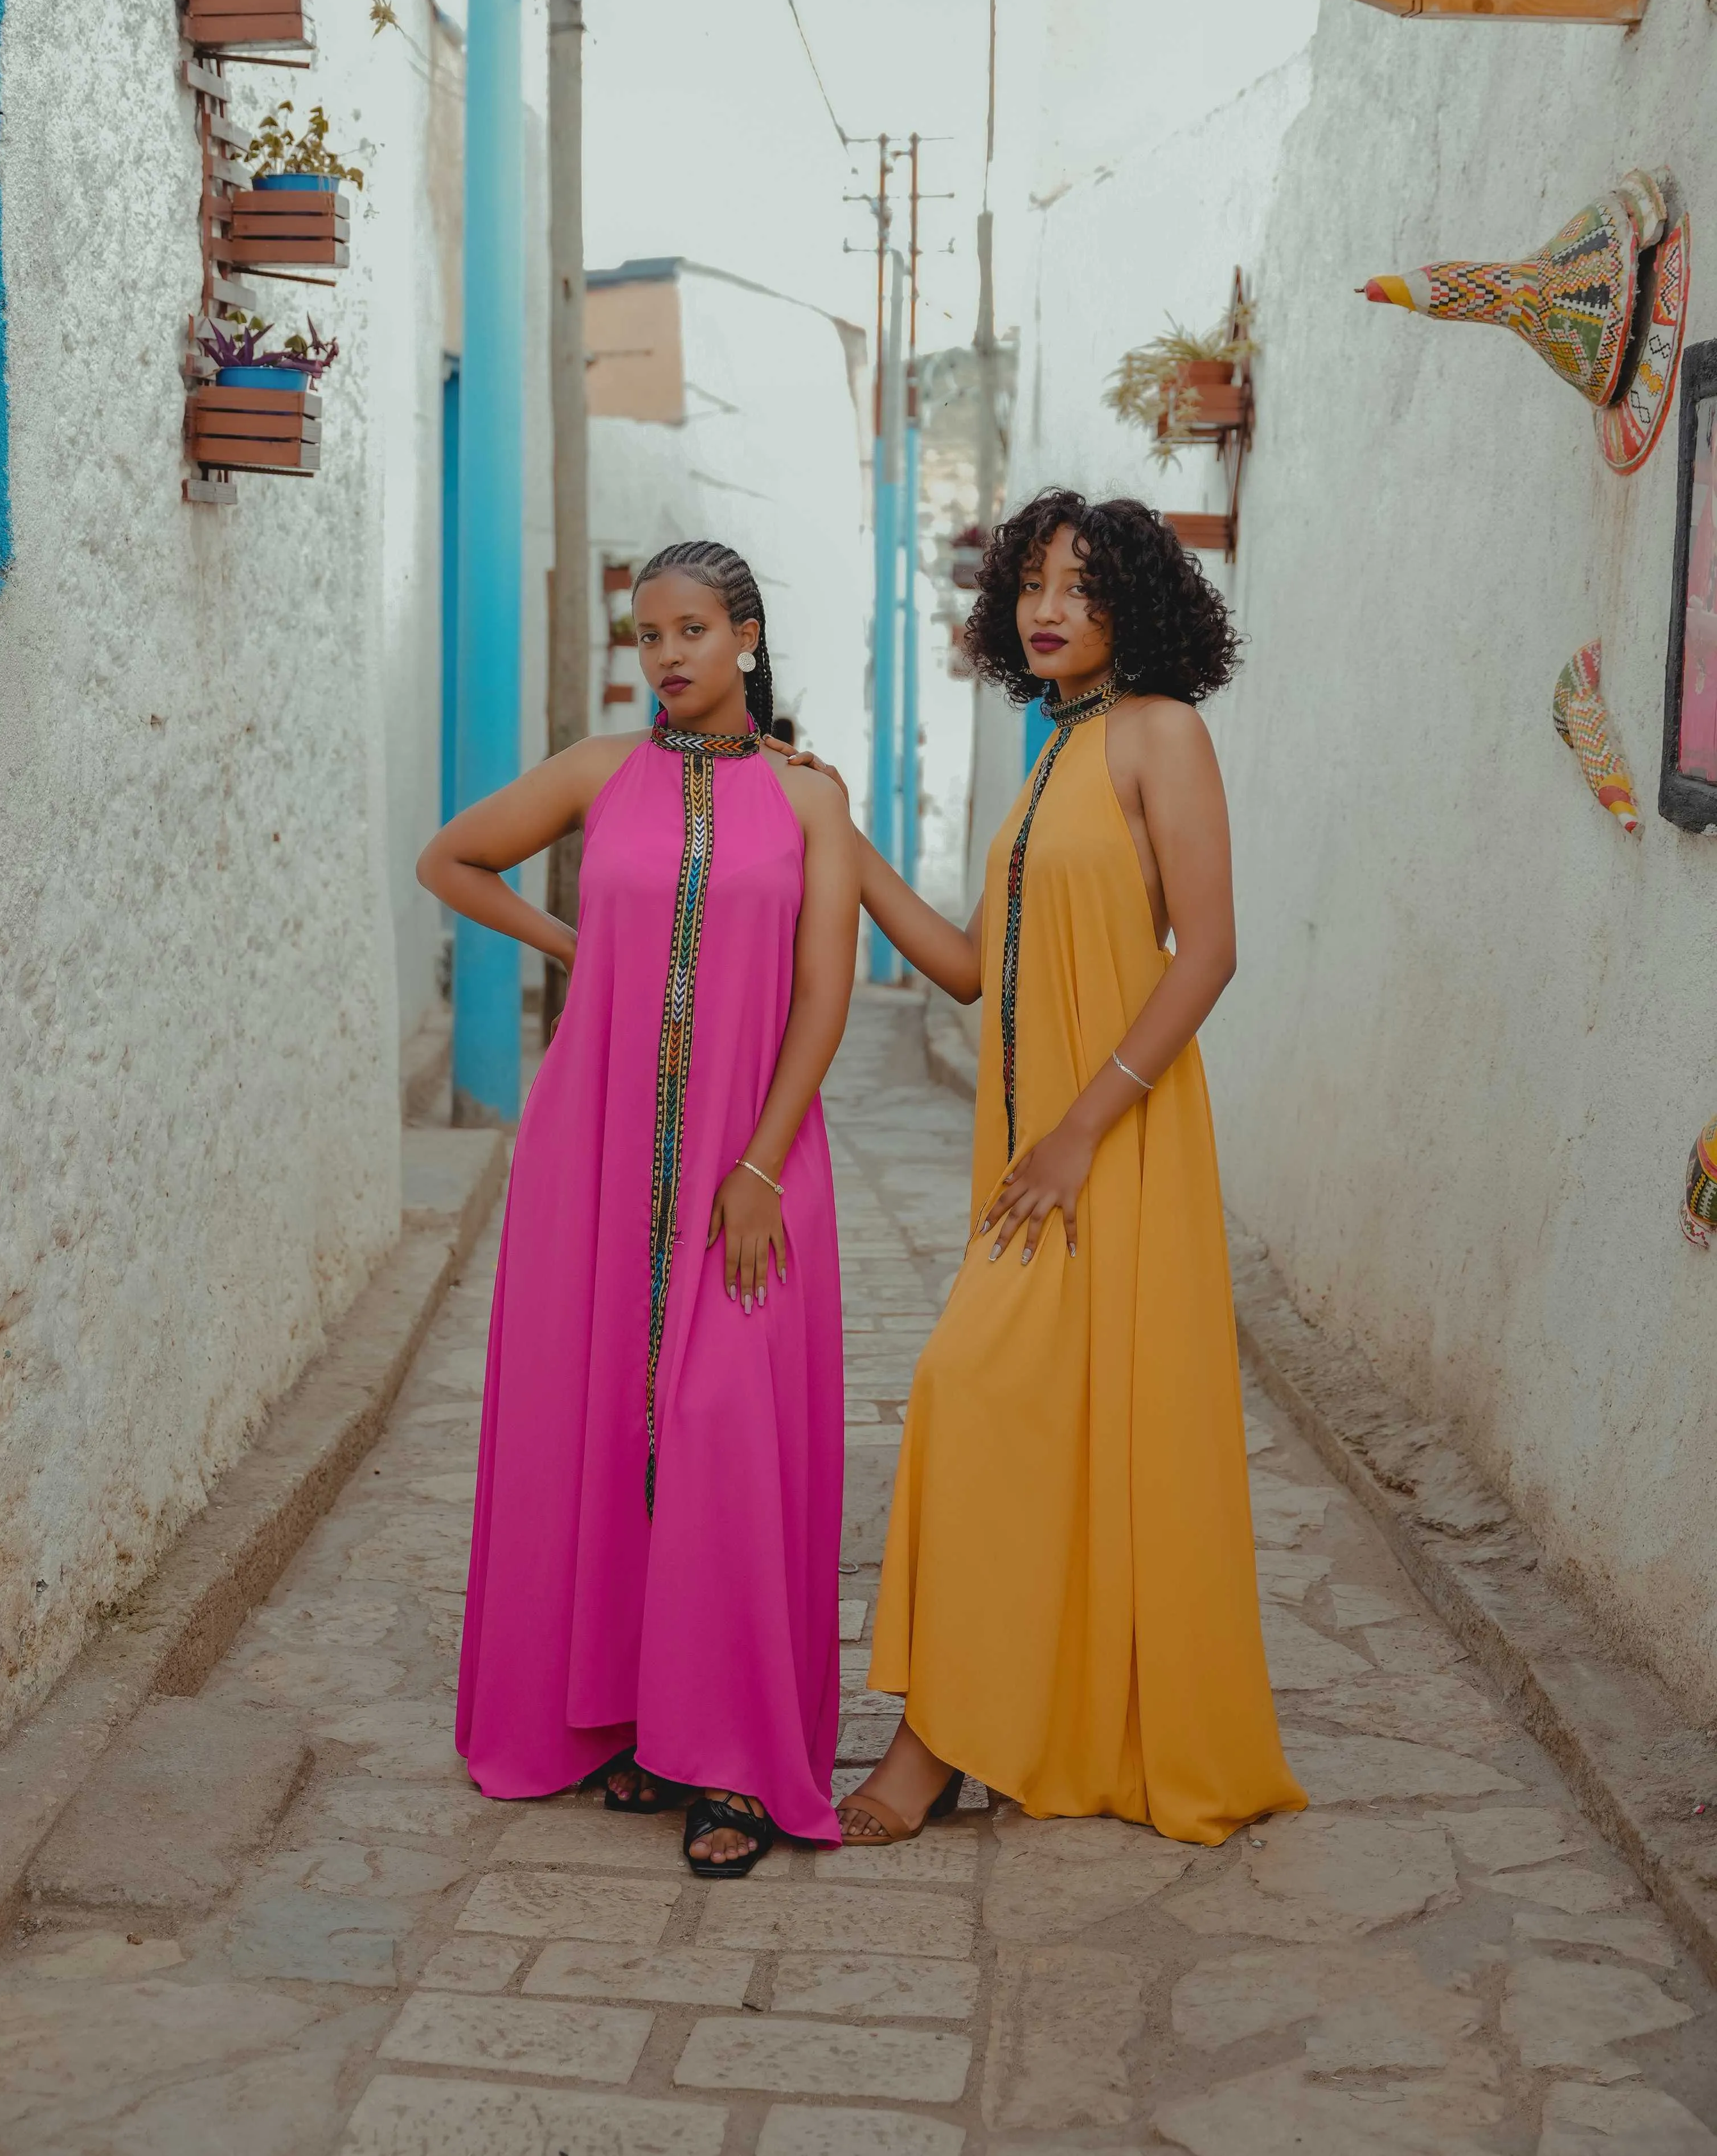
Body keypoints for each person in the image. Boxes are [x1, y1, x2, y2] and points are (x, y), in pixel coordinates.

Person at [777, 490, 1304, 1849]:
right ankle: (988, 1719)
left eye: (1080, 583)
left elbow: (1209, 950)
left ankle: (935, 1743)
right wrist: (840, 830)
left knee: (967, 1393)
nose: (1048, 605)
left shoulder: (1158, 735)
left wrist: (1080, 1128)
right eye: (1029, 583)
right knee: (1029, 1422)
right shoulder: (1050, 754)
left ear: (1136, 601)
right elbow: (963, 967)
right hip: (1032, 1164)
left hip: (1109, 1151)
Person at [418, 542, 858, 1873]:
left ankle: (730, 1762)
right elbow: (453, 860)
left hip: (753, 1159)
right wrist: (581, 953)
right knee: (599, 1417)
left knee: (724, 1425)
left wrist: (761, 1164)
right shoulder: (599, 772)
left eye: (689, 629)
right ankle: (622, 1716)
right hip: (591, 1150)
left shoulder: (810, 801)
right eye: (645, 633)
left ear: (747, 636)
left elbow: (827, 992)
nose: (665, 655)